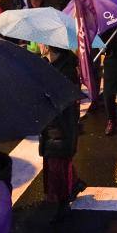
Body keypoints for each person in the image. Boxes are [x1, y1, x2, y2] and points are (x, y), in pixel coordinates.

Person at [39, 44, 86, 222]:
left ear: (48, 46)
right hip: (53, 126)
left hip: (60, 127)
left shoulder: (64, 72)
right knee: (57, 163)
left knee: (57, 166)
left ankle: (63, 203)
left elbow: (62, 104)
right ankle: (74, 184)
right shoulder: (53, 66)